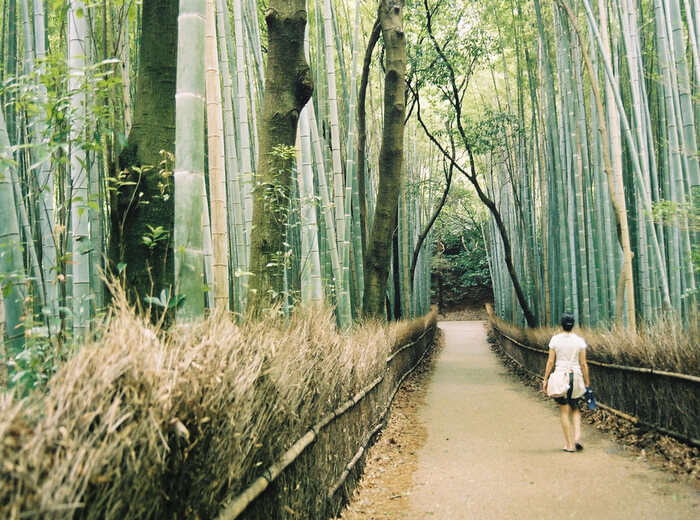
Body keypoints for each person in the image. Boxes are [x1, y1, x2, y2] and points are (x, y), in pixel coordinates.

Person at [542, 312, 590, 452]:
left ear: (561, 324)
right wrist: (587, 382)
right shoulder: (579, 341)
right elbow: (583, 364)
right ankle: (577, 439)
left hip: (560, 377)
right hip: (575, 377)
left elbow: (550, 362)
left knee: (564, 411)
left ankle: (569, 445)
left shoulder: (555, 340)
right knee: (575, 408)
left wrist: (545, 379)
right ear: (573, 325)